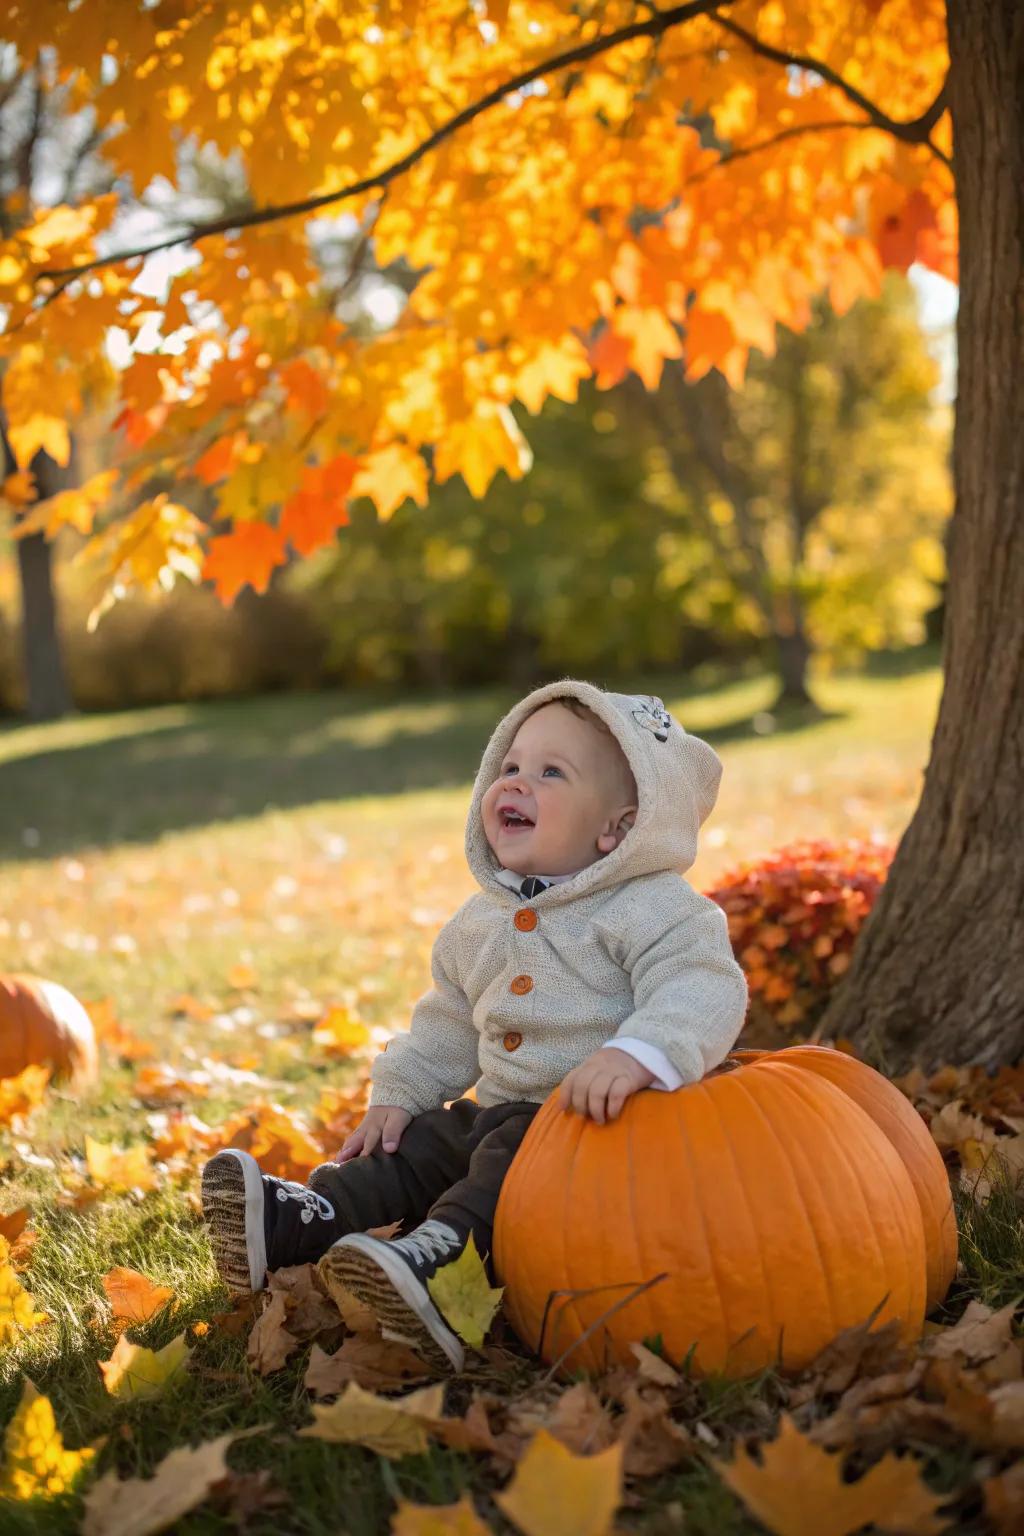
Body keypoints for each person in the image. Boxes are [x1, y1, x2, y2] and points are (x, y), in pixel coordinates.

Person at [201, 679, 748, 1370]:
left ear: (618, 826)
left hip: (598, 1137)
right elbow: (447, 1023)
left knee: (503, 1165)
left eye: (552, 773)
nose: (515, 783)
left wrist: (639, 1053)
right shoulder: (479, 923)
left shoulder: (655, 908)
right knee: (424, 1142)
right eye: (511, 765)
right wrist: (398, 1095)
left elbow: (702, 983)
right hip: (496, 1110)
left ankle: (443, 1262)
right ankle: (295, 1219)